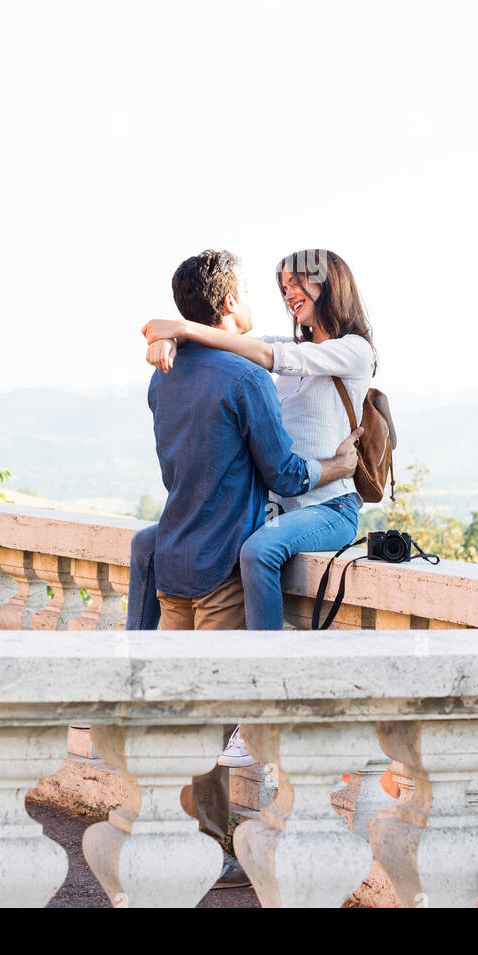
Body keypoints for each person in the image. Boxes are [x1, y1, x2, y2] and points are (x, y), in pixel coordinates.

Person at [129, 248, 361, 884]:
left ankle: (181, 840)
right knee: (211, 719)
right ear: (231, 303)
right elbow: (283, 472)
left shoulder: (165, 375)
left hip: (175, 559)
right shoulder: (244, 377)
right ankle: (210, 850)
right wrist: (342, 468)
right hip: (223, 566)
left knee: (179, 719)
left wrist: (164, 331)